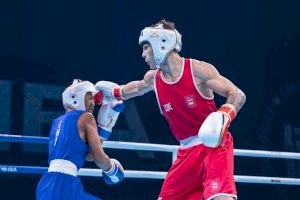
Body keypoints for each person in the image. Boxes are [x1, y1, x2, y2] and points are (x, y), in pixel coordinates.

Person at [95, 19, 246, 200]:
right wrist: (111, 93)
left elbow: (237, 94)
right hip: (186, 153)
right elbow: (131, 89)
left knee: (220, 197)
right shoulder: (153, 79)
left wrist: (224, 115)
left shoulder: (198, 70)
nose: (143, 54)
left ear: (160, 43)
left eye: (145, 47)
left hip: (215, 146)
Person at [36, 79, 125, 200]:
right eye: (90, 97)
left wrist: (104, 130)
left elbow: (88, 156)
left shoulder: (57, 121)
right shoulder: (87, 117)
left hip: (46, 184)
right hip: (64, 184)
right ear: (77, 97)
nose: (93, 103)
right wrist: (112, 170)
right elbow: (98, 157)